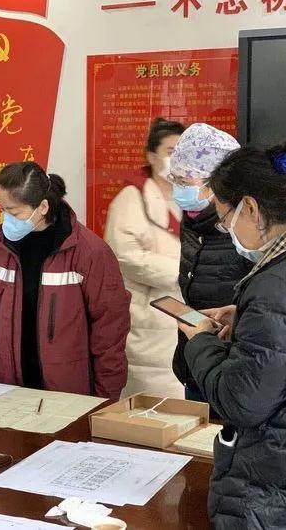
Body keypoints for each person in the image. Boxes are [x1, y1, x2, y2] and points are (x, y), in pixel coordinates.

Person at [179, 140, 286, 528]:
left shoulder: (276, 286)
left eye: (224, 218)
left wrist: (199, 341)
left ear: (250, 208)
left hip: (277, 495)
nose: (226, 230)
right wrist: (248, 317)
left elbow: (242, 401)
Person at [0, 162, 131, 398]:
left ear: (43, 207)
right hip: (13, 388)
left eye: (14, 212)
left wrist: (105, 399)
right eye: (2, 210)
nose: (6, 219)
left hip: (70, 395)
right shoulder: (1, 248)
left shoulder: (89, 252)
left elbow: (110, 330)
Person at [168, 123, 252, 407]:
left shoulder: (243, 228)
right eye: (175, 178)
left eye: (185, 180)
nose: (178, 188)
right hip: (195, 358)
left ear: (216, 183)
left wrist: (235, 322)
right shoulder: (193, 220)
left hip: (234, 369)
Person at [105, 118, 185, 398]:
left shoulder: (190, 196)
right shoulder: (131, 198)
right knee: (152, 400)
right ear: (152, 156)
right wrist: (182, 272)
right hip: (149, 316)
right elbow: (125, 256)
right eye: (171, 152)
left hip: (187, 311)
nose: (176, 160)